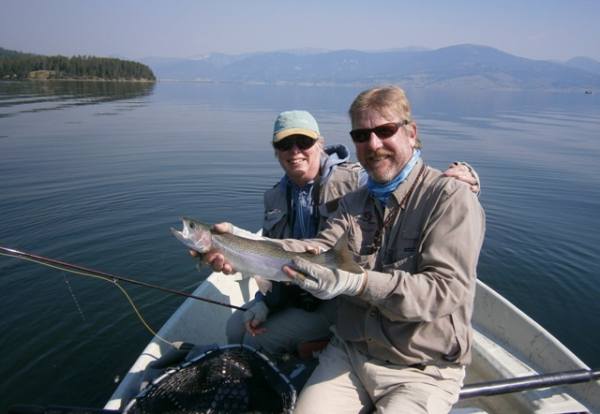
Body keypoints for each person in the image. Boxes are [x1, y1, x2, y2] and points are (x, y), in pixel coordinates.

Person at [206, 86, 485, 413]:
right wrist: (241, 244)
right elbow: (318, 247)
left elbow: (444, 291)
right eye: (362, 135)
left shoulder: (449, 198)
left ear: (411, 133)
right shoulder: (353, 204)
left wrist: (360, 283)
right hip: (352, 352)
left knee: (258, 339)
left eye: (385, 130)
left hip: (422, 367)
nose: (373, 144)